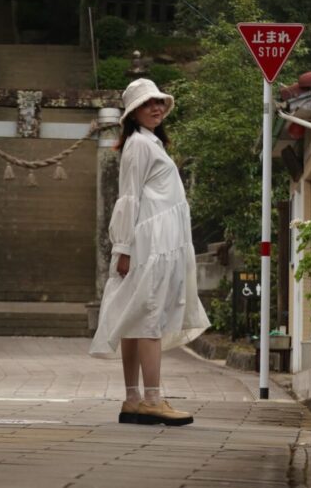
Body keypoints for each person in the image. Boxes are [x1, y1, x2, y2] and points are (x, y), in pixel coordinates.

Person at [90, 78, 211, 426]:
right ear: (133, 113)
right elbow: (128, 198)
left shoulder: (149, 142)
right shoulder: (140, 145)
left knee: (136, 317)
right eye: (147, 104)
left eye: (158, 102)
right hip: (150, 243)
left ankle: (134, 399)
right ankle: (152, 399)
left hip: (159, 240)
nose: (156, 108)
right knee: (149, 317)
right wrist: (124, 248)